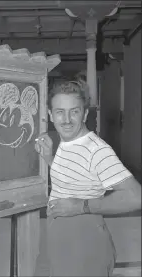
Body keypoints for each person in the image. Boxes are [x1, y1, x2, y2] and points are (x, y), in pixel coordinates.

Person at [35, 78, 141, 276]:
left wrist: (80, 206)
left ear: (84, 114)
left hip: (84, 239)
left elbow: (136, 196)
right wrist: (49, 159)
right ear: (50, 115)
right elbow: (78, 178)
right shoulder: (66, 143)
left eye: (74, 111)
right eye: (60, 112)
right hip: (56, 233)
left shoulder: (97, 150)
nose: (66, 120)